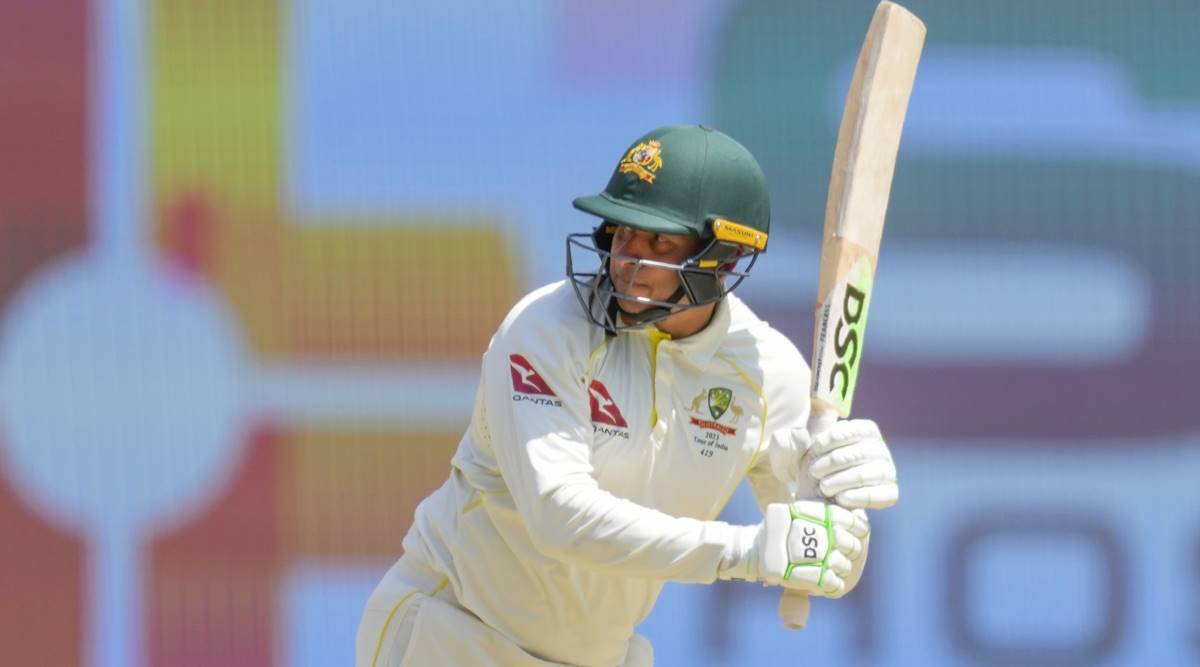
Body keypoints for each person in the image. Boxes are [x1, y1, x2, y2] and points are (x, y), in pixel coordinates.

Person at [356, 125, 899, 667]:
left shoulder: (767, 373)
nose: (626, 259)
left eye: (659, 241)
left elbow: (818, 555)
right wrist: (745, 551)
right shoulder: (546, 330)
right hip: (452, 632)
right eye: (622, 232)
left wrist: (836, 524)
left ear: (727, 256)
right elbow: (558, 517)